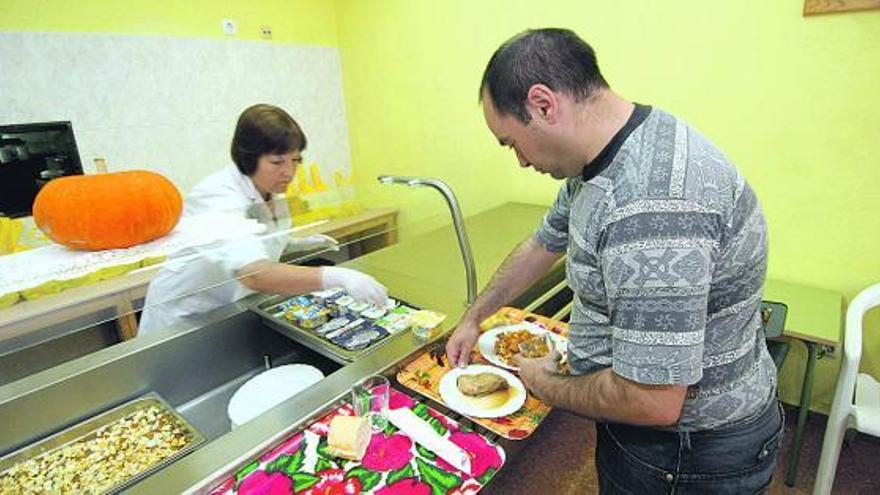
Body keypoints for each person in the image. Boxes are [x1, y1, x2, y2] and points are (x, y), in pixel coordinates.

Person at [446, 29, 782, 493]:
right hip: (661, 436)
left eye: (511, 142)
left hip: (687, 455)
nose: (520, 161)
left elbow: (652, 401)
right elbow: (542, 242)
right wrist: (474, 317)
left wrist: (543, 382)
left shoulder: (651, 208)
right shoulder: (610, 154)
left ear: (543, 105)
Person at [140, 104, 386, 335]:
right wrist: (337, 276)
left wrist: (296, 244)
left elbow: (259, 241)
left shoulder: (269, 190)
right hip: (182, 320)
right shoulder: (218, 196)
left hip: (229, 308)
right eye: (277, 162)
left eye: (295, 160)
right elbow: (254, 274)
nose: (289, 172)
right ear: (248, 157)